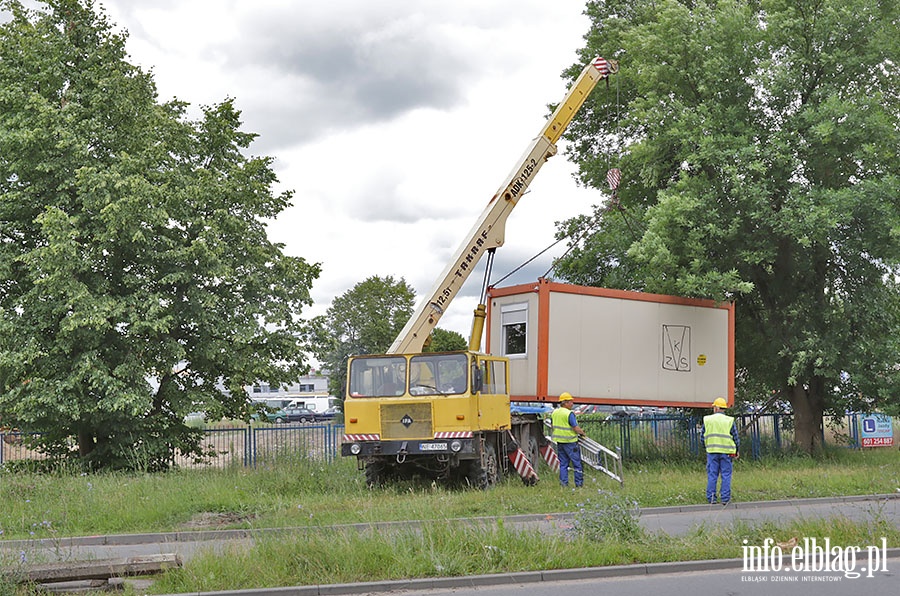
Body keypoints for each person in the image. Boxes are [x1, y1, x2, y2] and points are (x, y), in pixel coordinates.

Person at [701, 397, 740, 504]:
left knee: (712, 475)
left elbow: (702, 436)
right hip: (727, 452)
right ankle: (725, 499)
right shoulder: (729, 420)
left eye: (714, 407)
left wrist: (706, 448)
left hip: (712, 451)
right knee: (726, 475)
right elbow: (735, 437)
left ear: (717, 408)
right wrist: (737, 450)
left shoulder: (708, 420)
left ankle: (712, 498)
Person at [550, 392, 586, 488]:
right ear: (565, 402)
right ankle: (579, 485)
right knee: (577, 464)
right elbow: (575, 427)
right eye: (570, 402)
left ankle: (564, 484)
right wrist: (582, 433)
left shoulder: (555, 412)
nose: (572, 404)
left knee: (563, 464)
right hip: (570, 442)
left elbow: (553, 426)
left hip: (560, 442)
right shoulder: (569, 413)